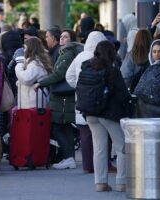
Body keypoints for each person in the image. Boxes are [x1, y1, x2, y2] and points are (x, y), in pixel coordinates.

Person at [82, 40, 128, 192]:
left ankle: (100, 183)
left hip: (90, 113)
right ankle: (121, 182)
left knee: (99, 148)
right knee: (121, 146)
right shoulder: (112, 71)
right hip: (108, 113)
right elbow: (122, 94)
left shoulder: (87, 67)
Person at [35, 29, 82, 169]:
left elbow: (59, 74)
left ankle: (68, 157)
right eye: (61, 36)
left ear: (71, 39)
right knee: (64, 126)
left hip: (63, 98)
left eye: (65, 37)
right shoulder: (68, 51)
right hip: (65, 97)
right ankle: (69, 157)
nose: (62, 39)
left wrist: (41, 82)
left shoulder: (67, 52)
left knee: (58, 126)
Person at [66, 31, 107, 173]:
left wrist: (78, 86)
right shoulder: (102, 57)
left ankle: (87, 165)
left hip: (81, 98)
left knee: (84, 135)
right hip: (97, 100)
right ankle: (101, 165)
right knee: (100, 135)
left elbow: (69, 76)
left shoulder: (79, 56)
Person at [15, 37, 51, 109]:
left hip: (33, 102)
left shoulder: (35, 63)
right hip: (32, 100)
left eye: (25, 48)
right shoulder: (35, 61)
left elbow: (26, 79)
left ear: (31, 49)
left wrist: (19, 64)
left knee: (33, 119)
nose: (24, 50)